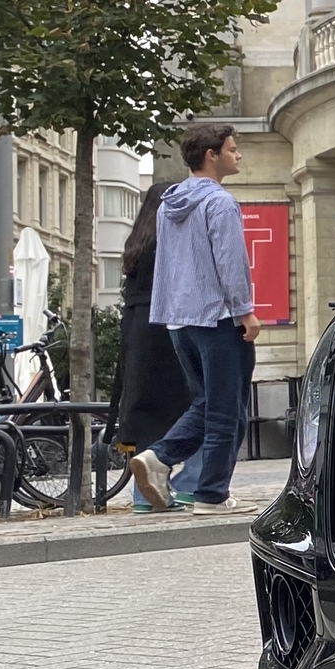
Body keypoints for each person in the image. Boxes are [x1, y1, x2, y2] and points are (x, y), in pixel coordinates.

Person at [127, 125, 259, 514]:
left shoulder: (169, 203)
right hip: (218, 317)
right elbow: (231, 261)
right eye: (232, 150)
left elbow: (168, 264)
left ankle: (161, 461)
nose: (239, 156)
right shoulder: (219, 203)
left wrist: (168, 312)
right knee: (226, 408)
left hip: (179, 319)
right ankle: (210, 493)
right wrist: (245, 311)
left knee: (208, 403)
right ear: (211, 155)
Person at [110, 179, 193, 511]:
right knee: (183, 405)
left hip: (135, 331)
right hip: (166, 327)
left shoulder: (138, 242)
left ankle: (142, 497)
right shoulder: (169, 240)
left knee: (143, 408)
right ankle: (176, 485)